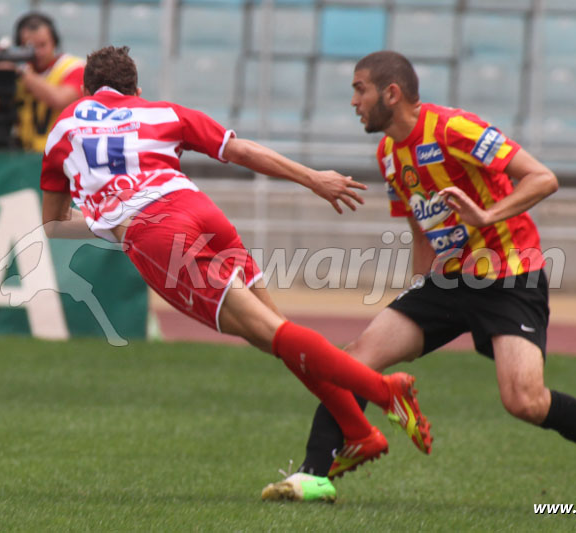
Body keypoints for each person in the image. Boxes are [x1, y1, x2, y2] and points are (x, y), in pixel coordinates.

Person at [261, 50, 576, 505]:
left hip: (510, 274)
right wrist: (415, 288)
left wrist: (486, 215)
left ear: (391, 93)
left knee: (524, 401)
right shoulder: (389, 153)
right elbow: (419, 224)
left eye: (360, 89)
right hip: (448, 281)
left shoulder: (454, 129)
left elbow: (543, 178)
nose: (353, 101)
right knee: (356, 358)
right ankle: (314, 474)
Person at [39, 46, 433, 501]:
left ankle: (384, 391)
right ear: (136, 91)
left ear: (87, 91)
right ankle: (358, 431)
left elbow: (53, 223)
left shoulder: (64, 128)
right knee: (276, 335)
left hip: (158, 236)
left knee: (273, 333)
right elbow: (240, 150)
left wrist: (111, 221)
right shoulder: (162, 111)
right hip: (200, 211)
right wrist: (313, 178)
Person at [0, 12, 84, 151]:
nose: (38, 52)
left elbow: (60, 99)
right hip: (26, 157)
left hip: (61, 156)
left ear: (55, 42)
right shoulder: (17, 73)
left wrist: (20, 71)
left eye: (43, 45)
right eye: (30, 47)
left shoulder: (72, 68)